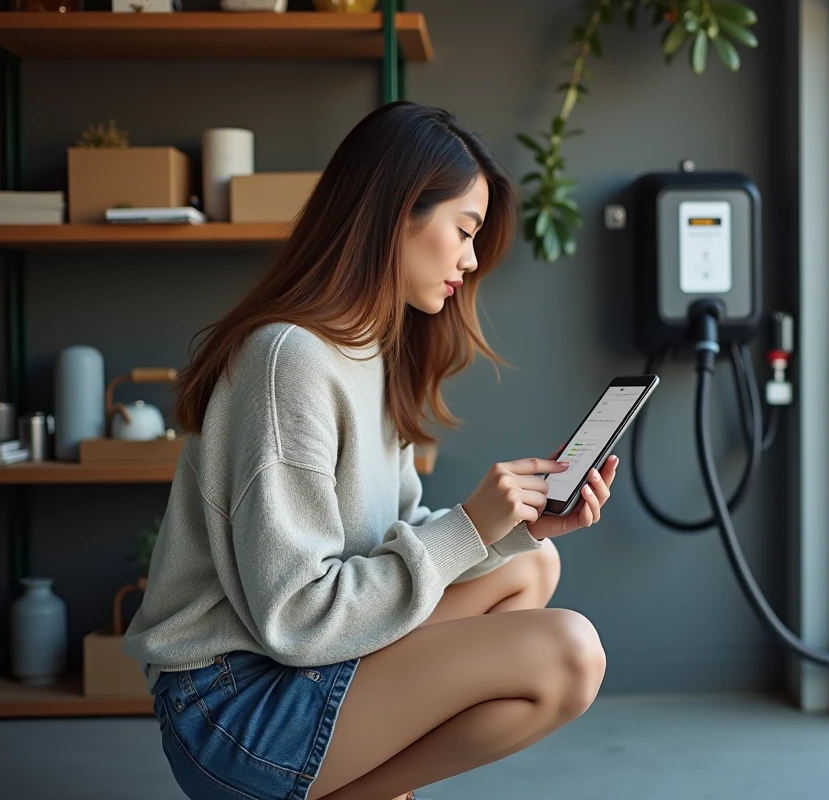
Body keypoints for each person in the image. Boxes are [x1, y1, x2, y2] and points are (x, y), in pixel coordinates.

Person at [123, 101, 614, 800]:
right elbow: (296, 616)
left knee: (530, 567)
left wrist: (512, 530)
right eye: (464, 231)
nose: (472, 262)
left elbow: (391, 541)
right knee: (569, 652)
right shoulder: (287, 360)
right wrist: (471, 526)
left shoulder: (370, 351)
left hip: (292, 662)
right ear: (399, 214)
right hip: (232, 704)